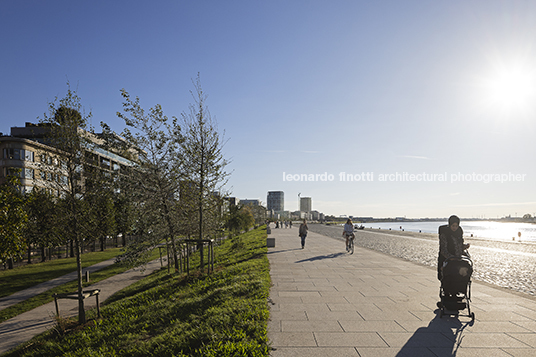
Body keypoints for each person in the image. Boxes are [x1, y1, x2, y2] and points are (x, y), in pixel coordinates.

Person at [437, 215, 470, 280]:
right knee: (448, 278)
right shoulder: (445, 233)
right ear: (450, 225)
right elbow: (443, 249)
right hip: (446, 260)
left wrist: (464, 247)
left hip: (457, 259)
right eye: (453, 226)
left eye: (456, 226)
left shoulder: (459, 232)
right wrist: (451, 257)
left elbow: (458, 246)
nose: (454, 228)